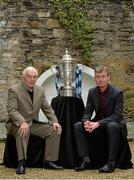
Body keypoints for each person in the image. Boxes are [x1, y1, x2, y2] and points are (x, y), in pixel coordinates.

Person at [74, 65, 133, 173]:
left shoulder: (117, 93)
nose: (100, 79)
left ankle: (111, 163)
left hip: (115, 124)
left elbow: (117, 115)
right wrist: (86, 122)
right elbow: (87, 112)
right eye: (98, 77)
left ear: (108, 77)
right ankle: (85, 159)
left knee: (112, 125)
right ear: (95, 78)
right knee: (78, 125)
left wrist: (98, 123)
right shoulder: (92, 92)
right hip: (98, 123)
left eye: (103, 76)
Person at [6, 66, 63, 175]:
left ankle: (49, 161)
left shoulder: (40, 90)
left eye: (34, 77)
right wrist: (22, 122)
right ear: (23, 78)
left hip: (32, 124)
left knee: (54, 130)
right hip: (15, 124)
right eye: (29, 76)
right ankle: (21, 162)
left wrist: (54, 121)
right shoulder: (14, 90)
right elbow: (12, 110)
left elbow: (47, 108)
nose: (32, 79)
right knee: (23, 130)